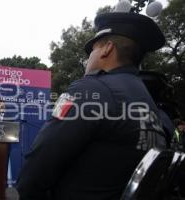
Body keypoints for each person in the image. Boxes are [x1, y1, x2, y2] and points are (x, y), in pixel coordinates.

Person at [16, 12, 169, 200]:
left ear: (107, 49)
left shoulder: (91, 90)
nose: (88, 59)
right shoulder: (151, 105)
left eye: (92, 51)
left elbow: (34, 173)